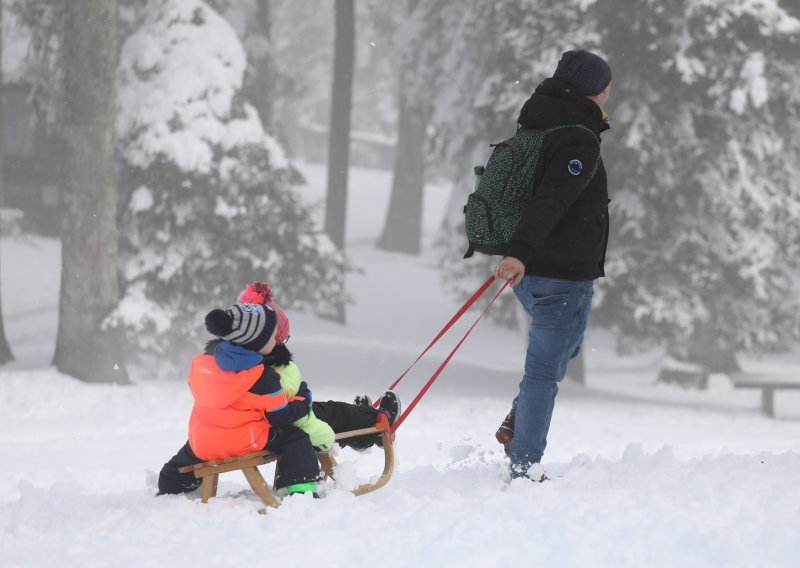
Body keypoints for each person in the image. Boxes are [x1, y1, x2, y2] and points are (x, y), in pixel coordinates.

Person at [491, 50, 613, 479]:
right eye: (606, 88)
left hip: (534, 275)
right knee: (545, 371)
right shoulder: (577, 137)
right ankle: (524, 466)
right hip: (559, 273)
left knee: (564, 349)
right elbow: (552, 200)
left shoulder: (538, 122)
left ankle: (517, 424)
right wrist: (520, 252)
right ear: (595, 91)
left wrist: (519, 254)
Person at [158, 296, 400, 497]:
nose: (276, 341)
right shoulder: (263, 377)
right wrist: (302, 401)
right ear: (260, 342)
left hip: (205, 442)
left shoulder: (202, 366)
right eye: (272, 337)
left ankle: (169, 485)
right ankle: (301, 489)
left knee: (194, 448)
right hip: (249, 440)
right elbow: (282, 416)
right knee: (295, 437)